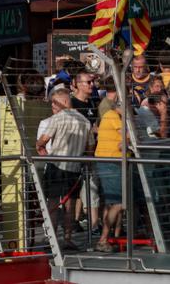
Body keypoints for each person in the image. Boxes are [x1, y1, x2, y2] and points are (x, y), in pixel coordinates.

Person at [36, 88, 91, 252]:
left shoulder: (58, 118)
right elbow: (90, 147)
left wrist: (40, 147)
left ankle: (52, 239)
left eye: (55, 102)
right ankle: (67, 239)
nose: (54, 105)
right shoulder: (85, 121)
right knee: (70, 205)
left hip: (56, 165)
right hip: (74, 167)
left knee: (53, 202)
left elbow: (44, 139)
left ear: (65, 101)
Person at [93, 84, 123, 253]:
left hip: (113, 162)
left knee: (112, 203)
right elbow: (129, 137)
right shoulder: (112, 116)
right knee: (119, 203)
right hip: (111, 163)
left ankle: (112, 237)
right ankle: (103, 239)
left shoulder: (113, 116)